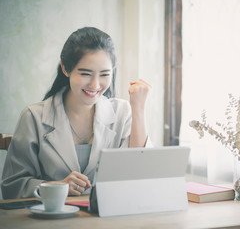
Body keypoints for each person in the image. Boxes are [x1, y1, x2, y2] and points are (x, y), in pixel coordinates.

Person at [1, 27, 152, 199]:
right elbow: (11, 186)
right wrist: (57, 187)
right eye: (86, 73)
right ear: (65, 69)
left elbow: (140, 172)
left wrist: (138, 109)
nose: (95, 85)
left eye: (104, 74)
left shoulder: (123, 112)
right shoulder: (33, 117)